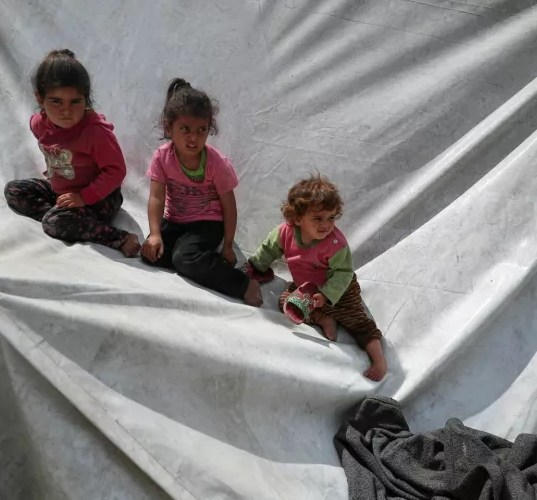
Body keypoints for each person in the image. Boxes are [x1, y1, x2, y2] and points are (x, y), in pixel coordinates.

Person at [246, 176, 387, 380]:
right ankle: (322, 317)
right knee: (285, 301)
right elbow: (268, 250)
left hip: (340, 289)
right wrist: (254, 267)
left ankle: (379, 360)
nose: (326, 225)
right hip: (306, 286)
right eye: (318, 218)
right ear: (296, 218)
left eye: (331, 218)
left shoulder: (335, 243)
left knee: (356, 321)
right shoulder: (285, 233)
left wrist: (327, 294)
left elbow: (344, 273)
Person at [4, 49, 140, 257]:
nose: (66, 111)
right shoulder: (37, 124)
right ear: (40, 100)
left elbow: (116, 171)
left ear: (86, 100)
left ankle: (118, 237)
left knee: (54, 223)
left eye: (75, 101)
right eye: (56, 101)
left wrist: (83, 198)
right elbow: (56, 149)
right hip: (62, 190)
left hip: (100, 197)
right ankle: (66, 216)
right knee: (14, 191)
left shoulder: (96, 132)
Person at [140, 78, 262, 306]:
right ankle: (198, 260)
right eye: (185, 129)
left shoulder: (216, 163)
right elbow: (156, 197)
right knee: (150, 255)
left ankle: (244, 284)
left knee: (183, 258)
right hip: (176, 221)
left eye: (201, 130)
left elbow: (229, 205)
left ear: (209, 129)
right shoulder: (162, 157)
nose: (193, 137)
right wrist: (155, 234)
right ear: (169, 128)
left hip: (208, 223)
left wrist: (227, 244)